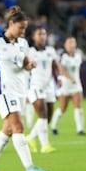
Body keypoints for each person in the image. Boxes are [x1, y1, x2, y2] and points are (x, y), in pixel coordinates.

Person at [0, 6, 47, 171]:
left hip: (20, 91)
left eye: (25, 29)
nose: (23, 31)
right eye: (21, 28)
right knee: (18, 126)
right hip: (5, 92)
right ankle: (29, 167)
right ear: (11, 24)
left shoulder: (23, 43)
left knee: (8, 129)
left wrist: (29, 65)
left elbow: (25, 63)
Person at [25, 26, 59, 154]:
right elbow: (24, 66)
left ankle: (31, 138)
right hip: (35, 86)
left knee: (48, 117)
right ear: (34, 37)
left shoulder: (50, 50)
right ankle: (45, 145)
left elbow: (55, 65)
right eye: (39, 34)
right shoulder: (29, 51)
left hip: (49, 86)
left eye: (44, 34)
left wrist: (59, 76)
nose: (42, 36)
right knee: (43, 115)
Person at [50, 36, 86, 136]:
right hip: (65, 85)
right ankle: (53, 126)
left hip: (76, 84)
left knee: (78, 105)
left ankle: (80, 129)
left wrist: (74, 80)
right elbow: (62, 69)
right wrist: (70, 79)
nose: (71, 45)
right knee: (63, 108)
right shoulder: (62, 56)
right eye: (69, 43)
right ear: (65, 45)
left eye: (73, 43)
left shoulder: (78, 55)